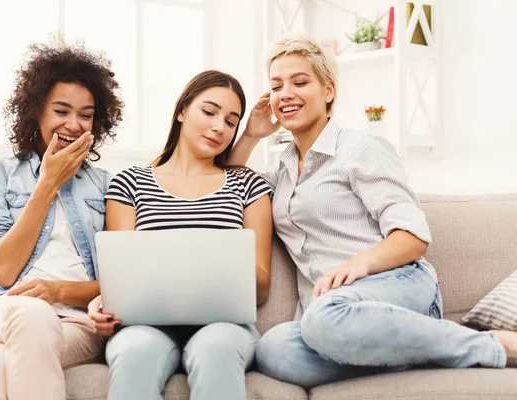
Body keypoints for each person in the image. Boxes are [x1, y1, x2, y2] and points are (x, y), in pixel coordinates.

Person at [227, 34, 517, 389]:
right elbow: (230, 181)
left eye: (299, 82)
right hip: (332, 314)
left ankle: (492, 345)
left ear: (328, 91)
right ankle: (411, 350)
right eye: (275, 85)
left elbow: (412, 237)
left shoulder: (360, 148)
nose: (285, 92)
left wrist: (356, 265)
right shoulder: (283, 170)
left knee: (323, 318)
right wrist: (252, 135)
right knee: (273, 349)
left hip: (395, 284)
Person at [87, 70, 273, 400]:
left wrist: (213, 267)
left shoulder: (249, 186)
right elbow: (119, 275)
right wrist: (104, 305)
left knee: (215, 349)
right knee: (133, 354)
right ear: (182, 111)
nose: (220, 127)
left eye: (231, 121)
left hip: (225, 327)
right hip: (146, 327)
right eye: (209, 111)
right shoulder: (129, 183)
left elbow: (260, 287)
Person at [0, 41, 124, 400]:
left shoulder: (108, 185)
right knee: (32, 316)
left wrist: (58, 291)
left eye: (86, 115)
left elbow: (121, 280)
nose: (73, 125)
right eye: (61, 111)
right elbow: (2, 271)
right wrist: (48, 182)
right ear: (36, 112)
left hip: (75, 321)